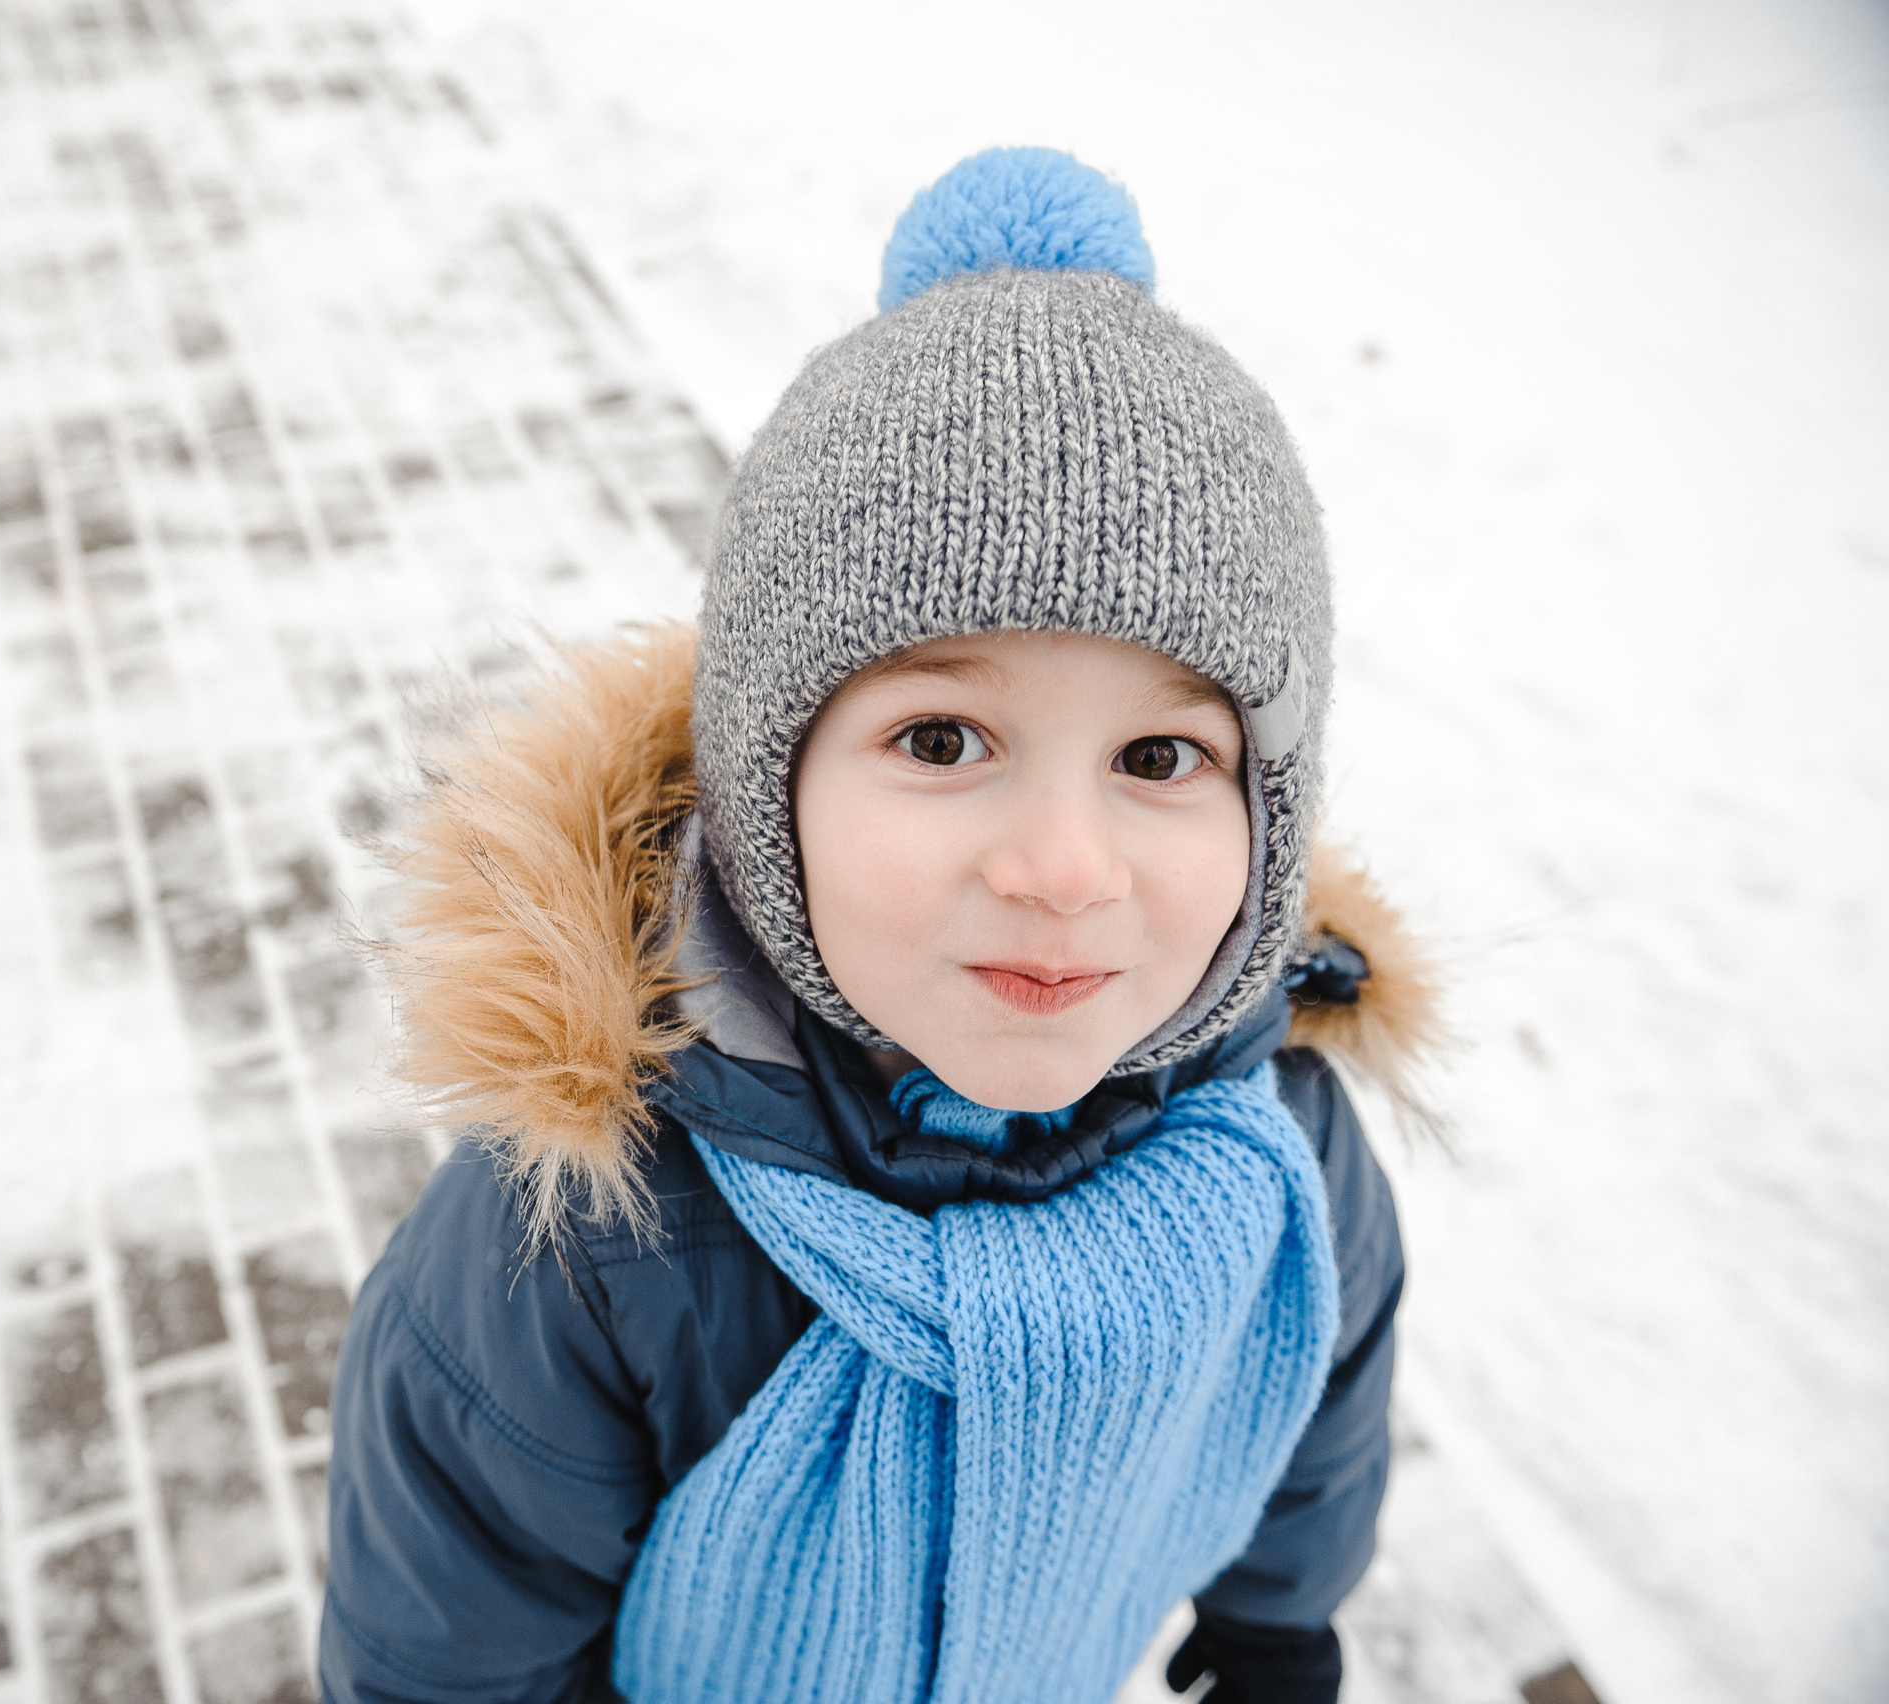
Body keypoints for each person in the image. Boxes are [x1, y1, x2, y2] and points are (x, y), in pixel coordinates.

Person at [321, 148, 1436, 1704]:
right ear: (769, 784)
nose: (1063, 867)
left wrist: (1278, 1629)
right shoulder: (587, 1245)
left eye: (1160, 759)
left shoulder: (1286, 1159)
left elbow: (1316, 1410)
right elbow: (453, 1650)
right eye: (939, 742)